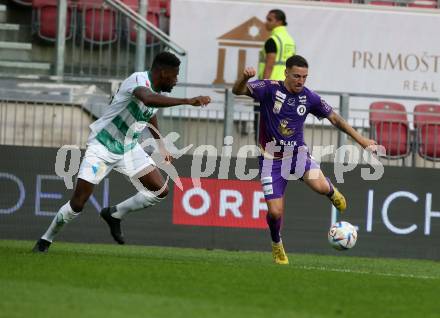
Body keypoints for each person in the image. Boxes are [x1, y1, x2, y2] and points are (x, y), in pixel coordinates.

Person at [33, 52, 211, 253]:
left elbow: (150, 114)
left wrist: (160, 144)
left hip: (128, 148)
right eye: (175, 75)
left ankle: (114, 214)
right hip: (102, 146)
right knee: (78, 203)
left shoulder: (159, 93)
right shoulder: (137, 80)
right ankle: (45, 240)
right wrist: (188, 101)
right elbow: (149, 100)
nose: (176, 80)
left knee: (160, 190)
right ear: (163, 72)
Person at [232, 55, 376, 265]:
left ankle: (331, 191)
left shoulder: (309, 97)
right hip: (271, 160)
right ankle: (276, 244)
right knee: (275, 212)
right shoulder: (269, 88)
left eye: (304, 77)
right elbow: (237, 91)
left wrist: (361, 140)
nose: (300, 81)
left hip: (298, 155)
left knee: (319, 187)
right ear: (286, 73)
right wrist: (243, 78)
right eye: (296, 76)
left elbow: (335, 118)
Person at [254, 9, 296, 142]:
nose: (266, 22)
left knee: (263, 127)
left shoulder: (272, 40)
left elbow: (269, 65)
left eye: (269, 19)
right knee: (281, 127)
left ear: (279, 22)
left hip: (271, 89)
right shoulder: (290, 41)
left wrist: (262, 88)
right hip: (286, 89)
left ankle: (265, 159)